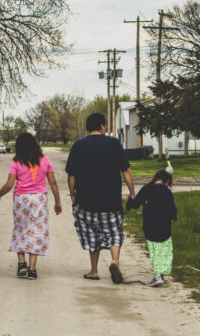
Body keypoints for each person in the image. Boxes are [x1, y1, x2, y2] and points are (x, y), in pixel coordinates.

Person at [65, 113, 135, 284]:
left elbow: (71, 175)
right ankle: (114, 261)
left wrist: (73, 194)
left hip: (86, 200)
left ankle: (94, 271)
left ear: (89, 127)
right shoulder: (114, 144)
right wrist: (132, 192)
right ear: (102, 126)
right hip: (111, 200)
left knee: (92, 234)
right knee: (114, 232)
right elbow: (126, 171)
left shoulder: (78, 146)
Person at [0, 133, 62, 280]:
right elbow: (53, 183)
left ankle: (22, 263)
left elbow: (10, 184)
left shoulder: (16, 162)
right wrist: (57, 202)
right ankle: (32, 269)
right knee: (37, 230)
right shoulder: (45, 160)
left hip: (21, 198)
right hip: (39, 199)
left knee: (21, 228)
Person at [126, 169, 178, 287]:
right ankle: (160, 275)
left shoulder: (147, 188)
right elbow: (172, 209)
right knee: (164, 250)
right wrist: (175, 217)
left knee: (154, 250)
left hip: (150, 225)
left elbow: (136, 203)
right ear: (167, 181)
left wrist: (129, 202)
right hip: (164, 226)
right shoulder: (167, 192)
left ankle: (158, 275)